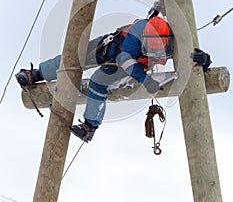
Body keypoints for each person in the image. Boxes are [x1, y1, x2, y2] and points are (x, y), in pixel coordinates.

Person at [16, 8, 212, 142]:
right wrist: (146, 80)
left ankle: (89, 127)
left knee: (98, 83)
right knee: (74, 58)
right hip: (114, 51)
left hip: (128, 63)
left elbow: (192, 58)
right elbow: (127, 61)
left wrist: (204, 61)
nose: (156, 52)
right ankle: (36, 74)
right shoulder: (137, 33)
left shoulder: (174, 41)